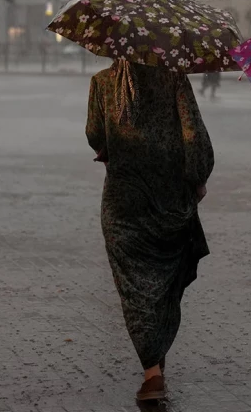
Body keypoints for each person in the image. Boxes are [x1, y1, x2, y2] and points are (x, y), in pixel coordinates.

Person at [86, 58, 214, 401]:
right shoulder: (173, 78)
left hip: (122, 201)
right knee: (165, 280)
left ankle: (152, 371)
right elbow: (192, 133)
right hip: (170, 197)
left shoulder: (102, 82)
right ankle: (156, 362)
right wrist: (198, 177)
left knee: (134, 288)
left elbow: (94, 134)